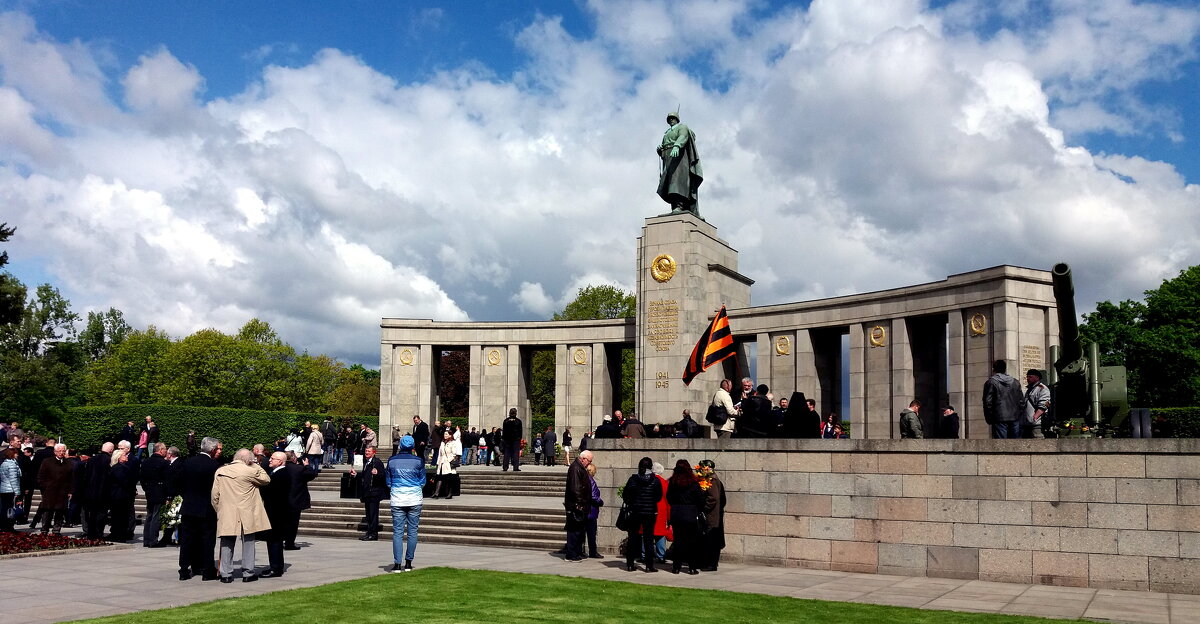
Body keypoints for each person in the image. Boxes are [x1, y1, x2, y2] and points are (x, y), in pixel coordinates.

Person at [211, 448, 271, 583]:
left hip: (227, 511)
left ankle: (225, 574)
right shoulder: (250, 470)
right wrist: (254, 464)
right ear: (248, 460)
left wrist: (219, 510)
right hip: (247, 510)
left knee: (226, 542)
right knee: (248, 541)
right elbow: (266, 479)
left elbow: (215, 495)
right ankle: (248, 573)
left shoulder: (221, 471)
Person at [174, 437, 222, 581]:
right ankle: (207, 570)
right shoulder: (214, 465)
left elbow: (178, 482)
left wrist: (187, 495)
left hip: (189, 506)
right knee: (207, 540)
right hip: (207, 508)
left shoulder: (187, 462)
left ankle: (184, 569)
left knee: (187, 539)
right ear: (213, 450)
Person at [386, 435, 426, 573]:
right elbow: (422, 481)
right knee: (412, 531)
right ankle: (408, 563)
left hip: (397, 498)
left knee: (397, 532)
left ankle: (397, 564)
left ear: (401, 446)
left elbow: (388, 481)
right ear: (413, 446)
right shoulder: (418, 461)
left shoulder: (392, 460)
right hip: (414, 498)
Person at [656, 111, 703, 216]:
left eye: (673, 118)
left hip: (679, 157)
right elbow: (665, 145)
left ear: (677, 119)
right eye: (669, 118)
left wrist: (677, 145)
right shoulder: (667, 132)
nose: (671, 120)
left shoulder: (682, 127)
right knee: (669, 182)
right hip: (668, 158)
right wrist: (661, 150)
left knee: (677, 181)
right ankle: (675, 206)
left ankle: (679, 205)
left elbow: (683, 136)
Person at [621, 457, 663, 573]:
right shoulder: (655, 480)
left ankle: (630, 564)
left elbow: (626, 495)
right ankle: (649, 566)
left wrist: (633, 503)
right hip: (649, 512)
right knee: (649, 539)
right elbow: (658, 496)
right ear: (651, 467)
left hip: (635, 511)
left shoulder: (633, 479)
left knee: (633, 538)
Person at [666, 458, 704, 575]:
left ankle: (676, 567)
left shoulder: (673, 482)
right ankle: (692, 567)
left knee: (678, 541)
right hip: (690, 513)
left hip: (677, 513)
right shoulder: (693, 483)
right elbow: (700, 499)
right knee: (691, 541)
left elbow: (669, 497)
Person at [259, 451, 292, 579]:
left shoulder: (281, 474)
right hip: (276, 512)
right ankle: (276, 565)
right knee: (274, 541)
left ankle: (276, 568)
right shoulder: (277, 473)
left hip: (276, 513)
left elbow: (271, 493)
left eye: (273, 459)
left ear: (280, 461)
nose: (270, 460)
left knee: (274, 541)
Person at [562, 450, 594, 562]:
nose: (589, 463)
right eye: (589, 461)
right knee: (574, 530)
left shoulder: (579, 467)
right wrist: (580, 503)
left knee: (578, 530)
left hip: (579, 505)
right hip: (576, 506)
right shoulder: (576, 468)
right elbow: (575, 488)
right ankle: (571, 554)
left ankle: (576, 552)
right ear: (583, 459)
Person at [351, 446, 387, 540]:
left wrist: (377, 474)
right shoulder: (367, 462)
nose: (366, 452)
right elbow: (365, 476)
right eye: (366, 451)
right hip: (367, 492)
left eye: (368, 451)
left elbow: (383, 476)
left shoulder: (377, 462)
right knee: (369, 514)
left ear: (373, 452)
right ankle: (369, 532)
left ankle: (373, 534)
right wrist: (356, 475)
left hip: (374, 493)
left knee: (373, 514)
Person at [697, 459, 727, 571]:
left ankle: (711, 563)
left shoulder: (712, 480)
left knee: (712, 539)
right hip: (713, 515)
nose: (699, 470)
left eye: (702, 468)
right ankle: (708, 562)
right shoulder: (709, 480)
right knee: (710, 539)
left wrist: (704, 508)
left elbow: (713, 498)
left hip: (712, 515)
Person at [35, 443, 72, 534]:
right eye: (59, 451)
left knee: (60, 512)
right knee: (47, 511)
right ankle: (44, 529)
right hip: (49, 491)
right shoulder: (47, 461)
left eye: (63, 451)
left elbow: (71, 478)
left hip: (62, 492)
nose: (61, 453)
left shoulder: (68, 463)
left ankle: (56, 530)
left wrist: (70, 491)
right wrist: (45, 487)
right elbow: (40, 476)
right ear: (55, 452)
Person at [140, 443, 172, 547]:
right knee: (156, 516)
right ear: (161, 450)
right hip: (159, 491)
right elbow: (167, 479)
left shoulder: (146, 461)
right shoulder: (164, 463)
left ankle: (146, 540)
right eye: (165, 450)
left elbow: (142, 478)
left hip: (149, 490)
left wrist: (146, 489)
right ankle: (153, 540)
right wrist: (168, 494)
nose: (166, 452)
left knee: (149, 514)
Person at [80, 442, 114, 540]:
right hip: (103, 492)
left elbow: (86, 476)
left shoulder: (92, 460)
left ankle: (91, 533)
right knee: (101, 514)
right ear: (111, 450)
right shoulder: (109, 460)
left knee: (92, 514)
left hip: (91, 492)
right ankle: (99, 533)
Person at [282, 453, 316, 550]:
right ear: (293, 458)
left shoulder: (281, 469)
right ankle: (289, 543)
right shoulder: (298, 469)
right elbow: (311, 475)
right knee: (293, 523)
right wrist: (306, 465)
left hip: (283, 500)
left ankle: (281, 540)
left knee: (283, 522)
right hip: (295, 500)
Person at [984, 359, 1024, 439]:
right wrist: (1019, 413)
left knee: (1001, 445)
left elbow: (987, 402)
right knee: (1015, 444)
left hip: (999, 417)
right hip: (1015, 417)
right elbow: (1022, 401)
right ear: (1005, 369)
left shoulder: (991, 382)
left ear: (994, 369)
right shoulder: (1015, 382)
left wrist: (989, 417)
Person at [432, 430, 461, 499]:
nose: (445, 435)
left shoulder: (453, 443)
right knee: (439, 477)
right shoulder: (442, 443)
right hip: (442, 462)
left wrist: (448, 460)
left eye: (446, 434)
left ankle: (450, 493)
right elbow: (440, 453)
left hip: (448, 463)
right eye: (444, 434)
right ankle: (436, 493)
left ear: (450, 435)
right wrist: (438, 462)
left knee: (448, 478)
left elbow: (454, 453)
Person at [584, 462, 604, 559]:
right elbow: (593, 496)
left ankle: (584, 551)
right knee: (591, 533)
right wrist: (600, 502)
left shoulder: (584, 479)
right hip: (591, 511)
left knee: (586, 532)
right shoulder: (590, 481)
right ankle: (593, 552)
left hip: (586, 510)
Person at [1025, 369, 1051, 439]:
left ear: (1037, 378)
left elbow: (1044, 404)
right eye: (1027, 377)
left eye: (1030, 377)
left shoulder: (1042, 389)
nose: (1027, 379)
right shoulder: (1030, 389)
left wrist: (1035, 417)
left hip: (1037, 424)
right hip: (1028, 424)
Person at [0, 447, 22, 532]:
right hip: (10, 490)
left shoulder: (3, 464)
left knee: (4, 508)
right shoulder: (12, 464)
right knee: (10, 509)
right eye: (16, 453)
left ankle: (3, 525)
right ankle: (8, 526)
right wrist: (17, 492)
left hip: (3, 489)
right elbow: (13, 480)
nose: (17, 455)